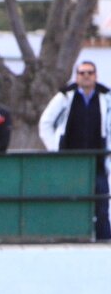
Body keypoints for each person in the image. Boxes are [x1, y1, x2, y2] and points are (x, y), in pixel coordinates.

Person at [39, 61, 111, 240]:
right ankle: (68, 238)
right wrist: (55, 148)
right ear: (76, 76)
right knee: (69, 201)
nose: (86, 76)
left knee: (101, 204)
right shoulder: (65, 97)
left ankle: (104, 241)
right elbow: (45, 123)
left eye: (90, 73)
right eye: (82, 73)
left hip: (97, 162)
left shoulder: (105, 97)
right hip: (70, 161)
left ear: (96, 76)